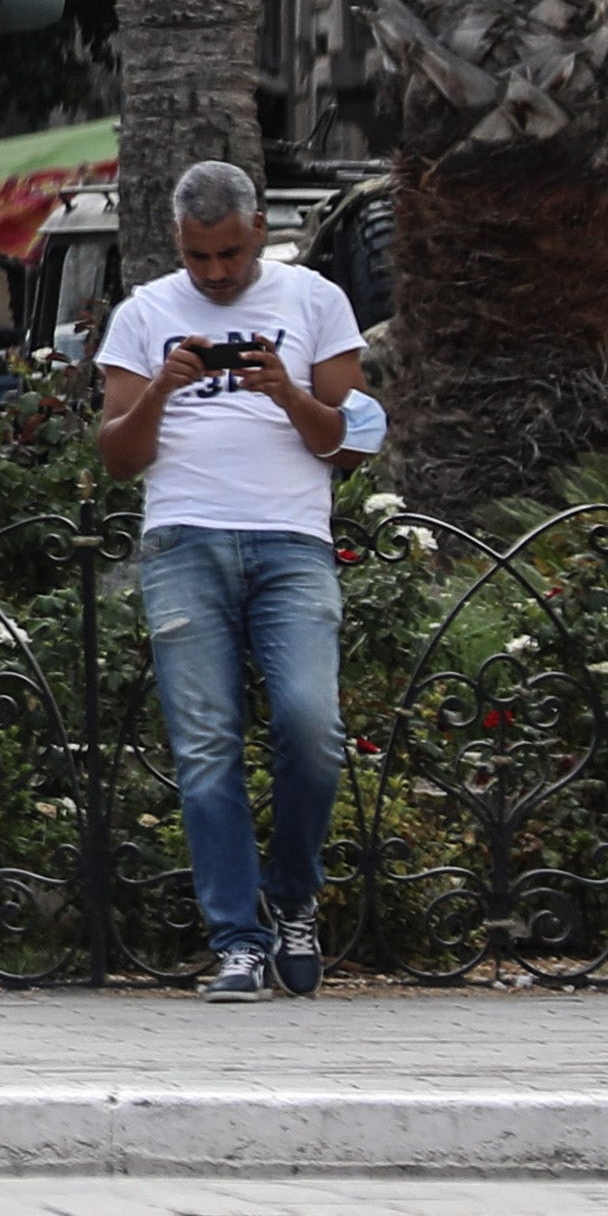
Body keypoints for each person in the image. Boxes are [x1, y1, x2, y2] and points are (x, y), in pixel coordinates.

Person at [91, 156, 369, 1002]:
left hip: (292, 542)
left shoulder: (315, 303)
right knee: (206, 746)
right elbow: (117, 458)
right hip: (184, 541)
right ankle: (237, 942)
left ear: (258, 235)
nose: (216, 274)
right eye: (200, 257)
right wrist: (162, 391)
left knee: (311, 725)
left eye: (231, 256)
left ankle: (291, 899)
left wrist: (285, 391)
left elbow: (348, 445)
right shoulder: (145, 314)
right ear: (178, 240)